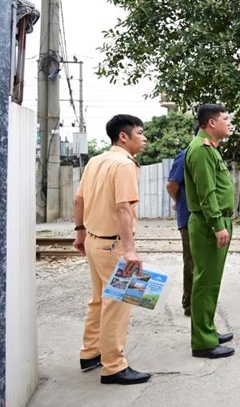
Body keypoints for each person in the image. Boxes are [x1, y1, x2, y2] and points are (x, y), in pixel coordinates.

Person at [73, 114, 151, 385]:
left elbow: (78, 199)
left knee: (98, 300)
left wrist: (81, 234)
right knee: (117, 304)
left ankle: (90, 352)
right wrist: (130, 250)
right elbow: (122, 208)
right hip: (113, 245)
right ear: (124, 136)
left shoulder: (96, 161)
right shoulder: (124, 164)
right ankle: (114, 366)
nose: (144, 138)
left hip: (95, 241)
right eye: (140, 133)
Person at [184, 104, 236, 359]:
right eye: (225, 119)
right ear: (212, 123)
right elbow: (206, 193)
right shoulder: (202, 150)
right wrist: (217, 225)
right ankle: (203, 342)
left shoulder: (210, 148)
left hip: (217, 222)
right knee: (205, 283)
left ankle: (207, 330)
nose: (229, 123)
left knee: (210, 282)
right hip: (209, 225)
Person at [166, 147, 193, 317]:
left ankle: (199, 301)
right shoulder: (185, 155)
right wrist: (179, 201)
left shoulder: (212, 152)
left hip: (208, 219)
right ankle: (189, 304)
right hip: (189, 217)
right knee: (192, 262)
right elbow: (172, 184)